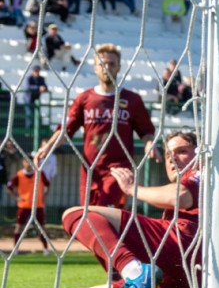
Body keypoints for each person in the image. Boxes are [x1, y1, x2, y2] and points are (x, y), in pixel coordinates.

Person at [57, 130, 201, 288]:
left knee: (76, 215)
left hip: (187, 249)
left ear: (200, 153)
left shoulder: (207, 175)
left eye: (181, 151)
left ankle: (134, 273)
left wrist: (133, 189)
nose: (173, 158)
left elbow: (179, 197)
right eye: (168, 155)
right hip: (172, 287)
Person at [34, 44, 158, 207]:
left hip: (118, 170)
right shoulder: (84, 99)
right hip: (90, 170)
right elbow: (66, 129)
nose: (107, 67)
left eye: (112, 64)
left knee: (105, 215)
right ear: (95, 68)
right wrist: (48, 147)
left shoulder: (132, 100)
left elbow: (146, 131)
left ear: (119, 67)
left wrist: (150, 143)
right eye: (102, 64)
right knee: (90, 217)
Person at [5, 156, 49, 254]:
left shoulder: (39, 173)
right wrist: (16, 197)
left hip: (38, 206)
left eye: (31, 162)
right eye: (26, 162)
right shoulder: (19, 175)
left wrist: (45, 195)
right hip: (24, 206)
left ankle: (46, 249)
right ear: (23, 162)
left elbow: (47, 185)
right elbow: (9, 187)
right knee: (19, 227)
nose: (29, 164)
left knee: (41, 228)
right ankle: (15, 249)